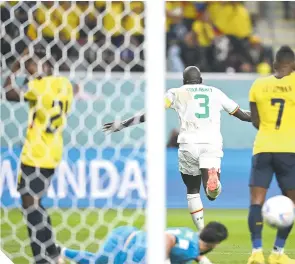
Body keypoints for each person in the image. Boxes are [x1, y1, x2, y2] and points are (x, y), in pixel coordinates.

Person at [103, 66, 251, 263]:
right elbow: (241, 114)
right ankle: (213, 183)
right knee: (212, 195)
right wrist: (263, 116)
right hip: (211, 144)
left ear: (183, 80)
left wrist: (123, 124)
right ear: (201, 80)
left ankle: (201, 233)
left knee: (192, 191)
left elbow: (152, 112)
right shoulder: (215, 92)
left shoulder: (175, 93)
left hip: (188, 144)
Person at [247, 3, 295, 264]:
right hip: (287, 150)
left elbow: (255, 122)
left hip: (262, 148)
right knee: (292, 201)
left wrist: (270, 129)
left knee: (256, 202)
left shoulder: (258, 85)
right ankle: (278, 254)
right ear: (292, 66)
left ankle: (256, 252)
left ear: (273, 64)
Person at [2, 45, 74, 264]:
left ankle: (43, 258)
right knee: (35, 203)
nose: (29, 70)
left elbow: (8, 92)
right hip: (53, 152)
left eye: (32, 65)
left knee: (30, 204)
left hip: (36, 152)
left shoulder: (38, 86)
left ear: (46, 65)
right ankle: (52, 252)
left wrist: (15, 67)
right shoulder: (64, 85)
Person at [59, 221, 228, 264]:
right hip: (128, 247)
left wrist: (200, 259)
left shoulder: (189, 235)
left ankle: (58, 251)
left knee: (97, 261)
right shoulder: (190, 248)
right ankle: (58, 251)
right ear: (216, 243)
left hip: (129, 236)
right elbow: (168, 239)